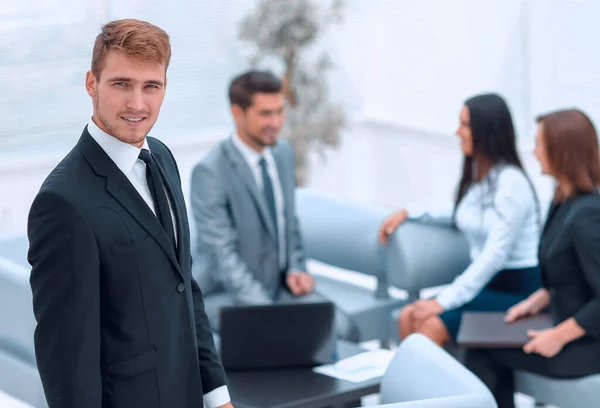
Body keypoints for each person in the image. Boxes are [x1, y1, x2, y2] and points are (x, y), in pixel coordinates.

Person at [27, 19, 232, 408]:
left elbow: (185, 287)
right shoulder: (62, 203)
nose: (137, 104)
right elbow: (68, 363)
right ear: (92, 84)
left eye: (150, 86)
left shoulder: (163, 158)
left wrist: (216, 394)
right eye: (121, 84)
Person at [190, 70, 359, 341]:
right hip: (228, 295)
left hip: (280, 288)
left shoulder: (283, 155)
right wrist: (268, 313)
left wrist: (296, 268)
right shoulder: (209, 172)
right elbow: (223, 258)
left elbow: (289, 225)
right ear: (237, 112)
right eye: (265, 114)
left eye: (280, 112)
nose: (276, 122)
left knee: (344, 329)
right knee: (283, 340)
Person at [378, 93, 541, 346]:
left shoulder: (512, 183)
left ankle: (430, 386)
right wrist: (409, 212)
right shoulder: (483, 179)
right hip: (487, 285)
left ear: (485, 131)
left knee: (429, 323)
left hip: (516, 292)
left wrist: (443, 301)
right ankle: (410, 385)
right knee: (407, 316)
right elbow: (460, 212)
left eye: (465, 125)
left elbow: (494, 255)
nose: (457, 132)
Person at [464, 109, 600, 408]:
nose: (534, 152)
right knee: (477, 337)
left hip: (587, 345)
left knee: (478, 350)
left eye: (539, 144)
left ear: (560, 152)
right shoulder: (564, 202)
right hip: (565, 322)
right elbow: (570, 273)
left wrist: (558, 337)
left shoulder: (587, 215)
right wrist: (536, 300)